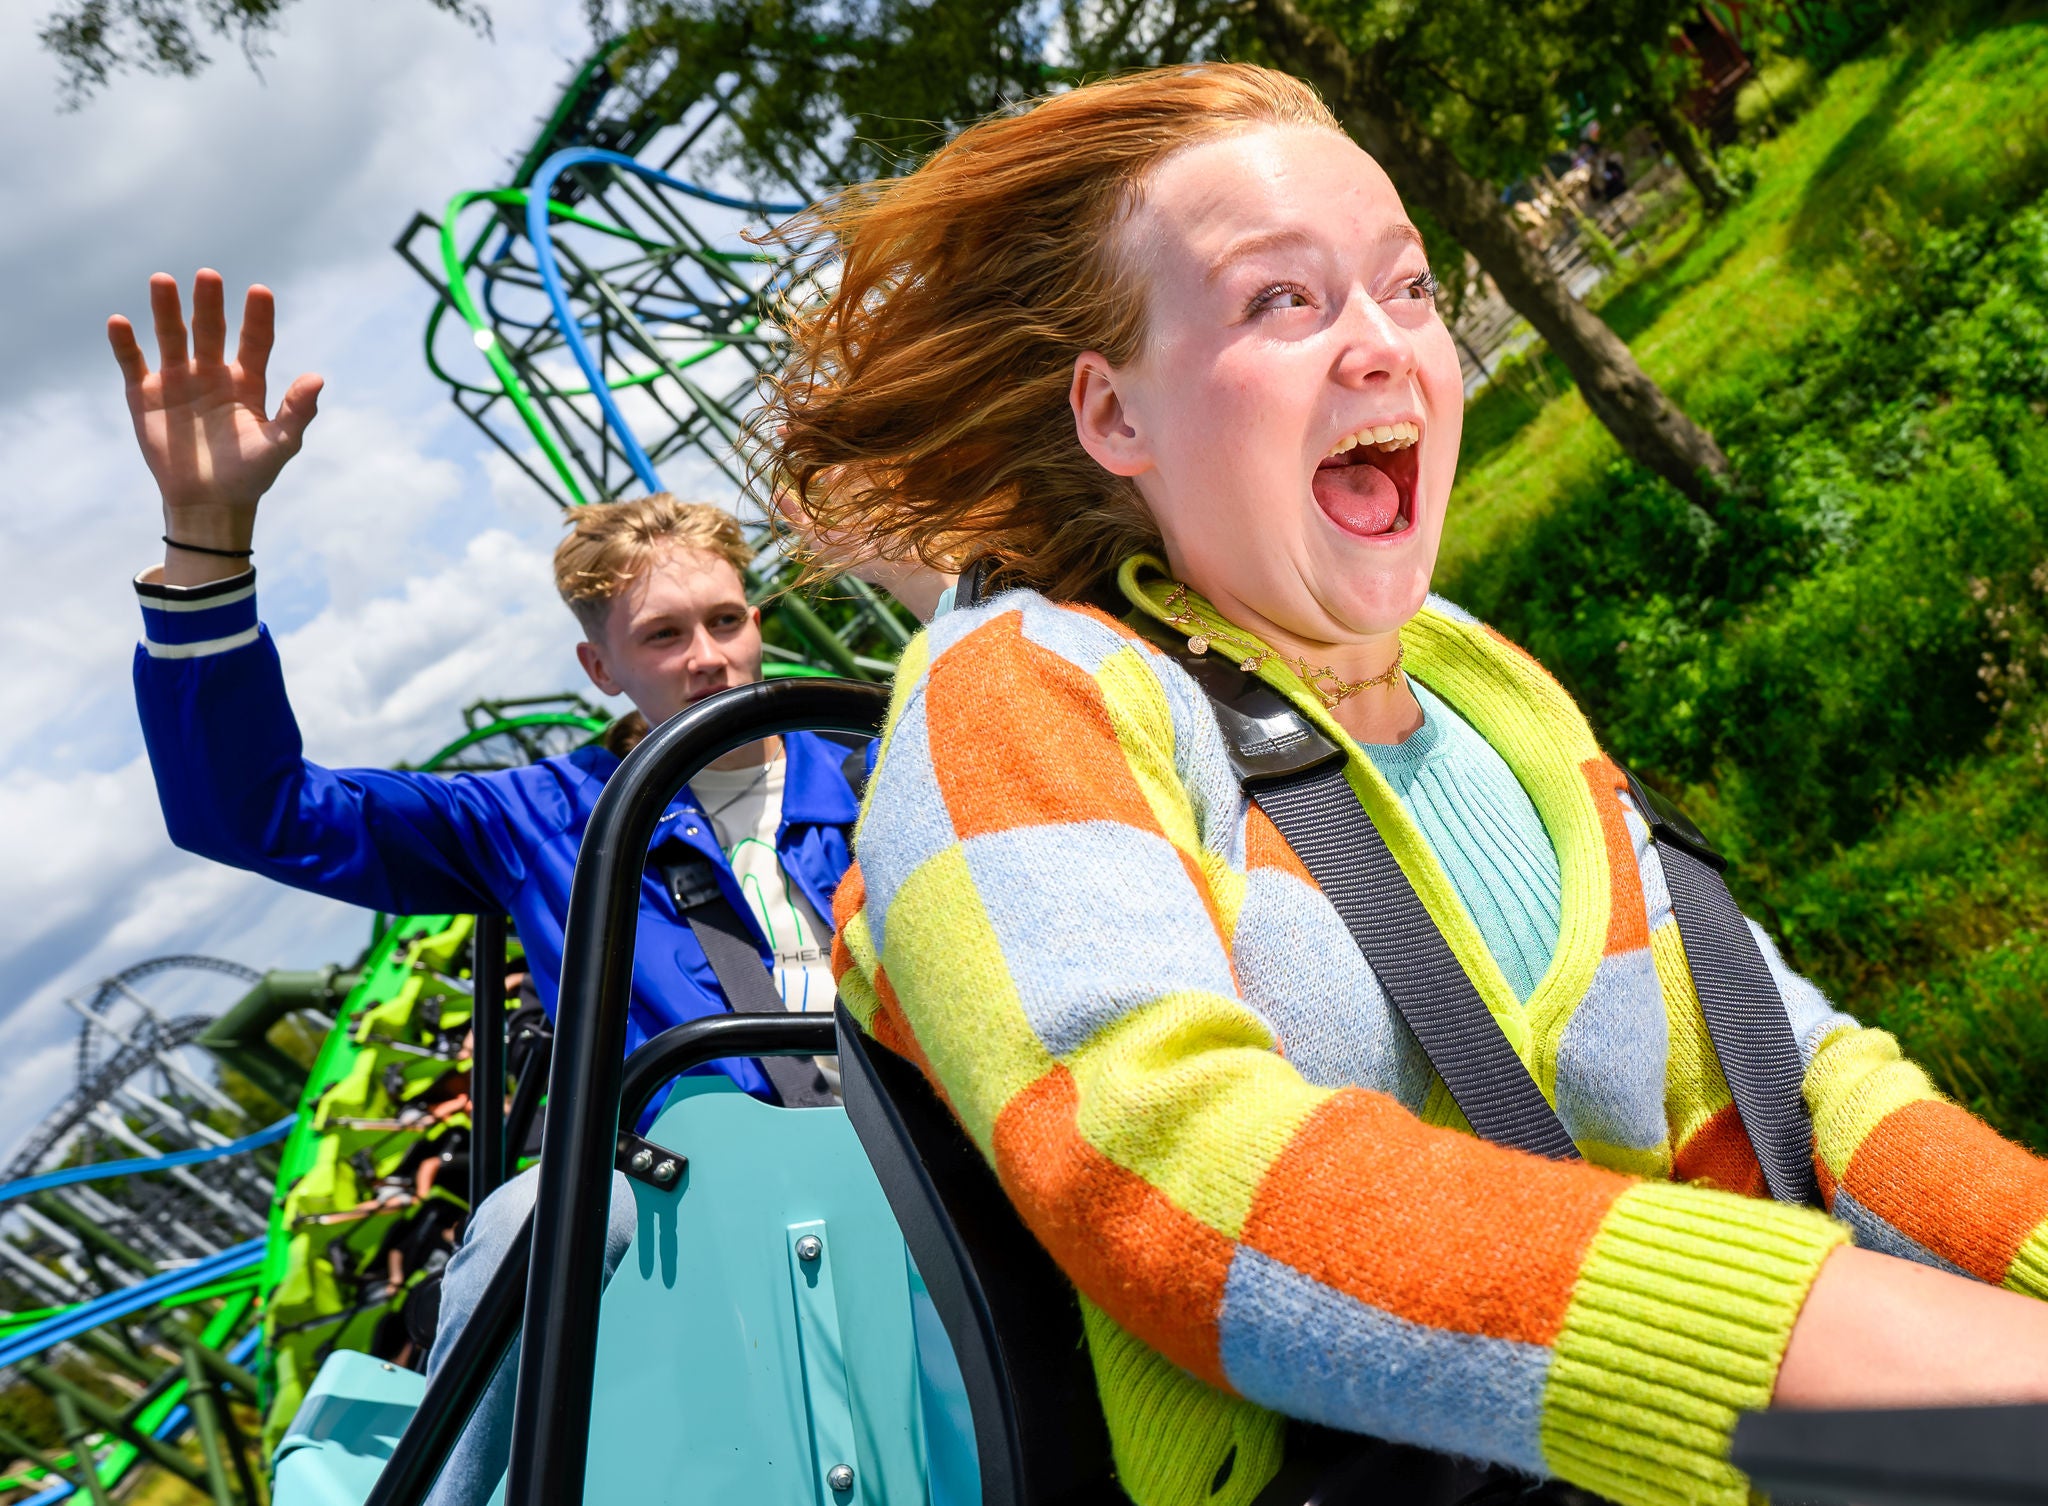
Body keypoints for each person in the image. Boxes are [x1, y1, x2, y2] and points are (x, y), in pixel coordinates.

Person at [766, 64, 2048, 1506]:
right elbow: (1166, 1168)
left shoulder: (1477, 673)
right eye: (1281, 302)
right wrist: (1841, 1360)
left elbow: (1791, 1065)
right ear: (1113, 414)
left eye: (1409, 288)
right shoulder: (1016, 687)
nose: (1384, 346)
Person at [104, 271, 939, 1504]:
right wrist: (207, 544)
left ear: (757, 621)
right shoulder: (542, 821)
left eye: (723, 621)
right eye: (663, 638)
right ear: (600, 666)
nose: (707, 659)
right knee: (532, 1218)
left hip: (924, 1141)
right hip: (707, 1193)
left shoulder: (877, 766)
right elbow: (256, 811)